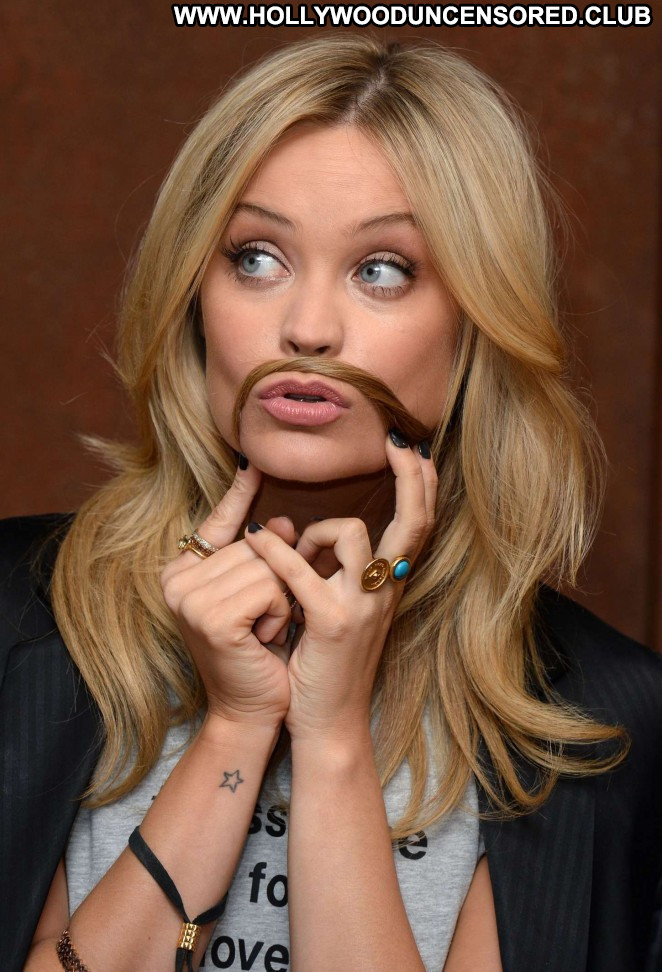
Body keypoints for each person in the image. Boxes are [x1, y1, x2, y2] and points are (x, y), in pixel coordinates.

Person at [2, 32, 661, 972]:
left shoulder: (593, 718)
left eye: (382, 269)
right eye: (256, 258)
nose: (307, 328)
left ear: (477, 325)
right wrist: (235, 727)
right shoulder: (24, 622)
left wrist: (333, 733)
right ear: (193, 295)